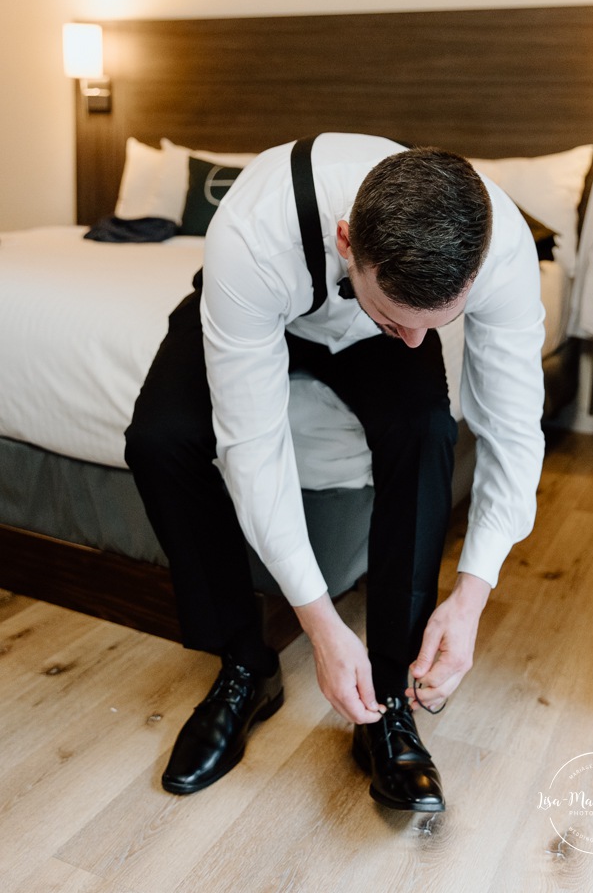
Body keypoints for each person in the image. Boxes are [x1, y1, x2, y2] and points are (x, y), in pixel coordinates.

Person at [125, 132, 545, 813]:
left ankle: (385, 700)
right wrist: (319, 625)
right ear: (347, 241)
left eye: (434, 326)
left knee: (428, 429)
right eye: (398, 319)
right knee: (159, 439)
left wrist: (471, 597)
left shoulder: (500, 251)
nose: (417, 342)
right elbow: (252, 447)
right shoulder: (255, 230)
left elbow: (512, 431)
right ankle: (244, 665)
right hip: (260, 310)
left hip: (367, 332)